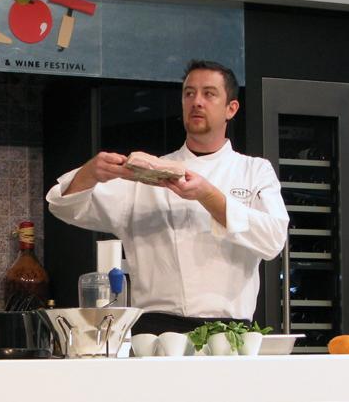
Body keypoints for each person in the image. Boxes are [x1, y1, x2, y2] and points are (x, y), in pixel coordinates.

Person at [45, 59, 289, 335]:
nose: (197, 101)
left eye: (209, 94)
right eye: (189, 93)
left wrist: (207, 195)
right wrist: (90, 173)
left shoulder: (254, 170)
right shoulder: (146, 176)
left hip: (230, 333)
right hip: (154, 331)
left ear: (231, 108)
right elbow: (61, 206)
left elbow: (273, 240)